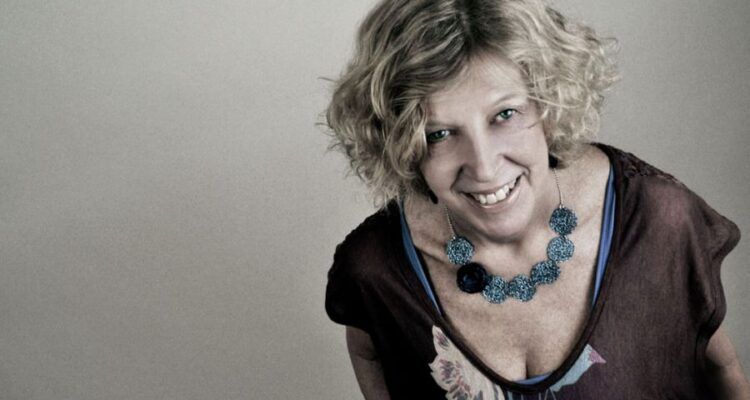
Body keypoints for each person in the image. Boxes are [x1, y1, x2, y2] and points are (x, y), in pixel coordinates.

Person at [323, 0, 749, 398]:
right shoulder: (376, 270)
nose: (484, 167)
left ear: (548, 102)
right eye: (440, 134)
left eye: (505, 115)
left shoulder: (658, 223)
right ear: (400, 141)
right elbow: (370, 353)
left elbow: (722, 371)